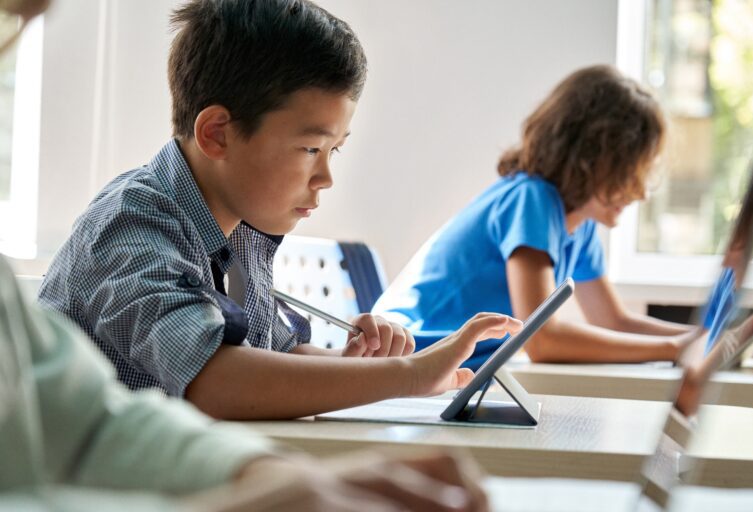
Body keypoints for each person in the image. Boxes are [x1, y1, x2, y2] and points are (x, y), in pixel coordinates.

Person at [0, 0, 504, 510]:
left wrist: (355, 365)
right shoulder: (132, 224)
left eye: (336, 150)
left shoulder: (242, 233)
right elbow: (214, 380)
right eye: (311, 149)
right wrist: (409, 377)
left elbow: (275, 355)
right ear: (217, 133)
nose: (326, 176)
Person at [373, 65, 702, 369]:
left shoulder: (579, 226)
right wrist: (673, 349)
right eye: (628, 172)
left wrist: (703, 338)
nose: (640, 193)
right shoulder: (532, 200)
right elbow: (542, 340)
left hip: (443, 366)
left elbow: (614, 322)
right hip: (403, 356)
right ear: (589, 158)